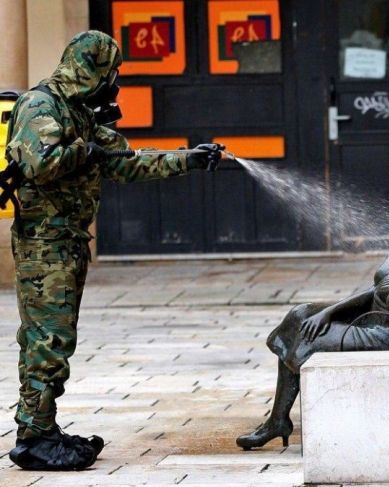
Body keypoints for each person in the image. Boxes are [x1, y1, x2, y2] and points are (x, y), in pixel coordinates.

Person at [6, 31, 227, 470]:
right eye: (112, 73)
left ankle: (40, 427)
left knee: (55, 339)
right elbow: (39, 162)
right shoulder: (41, 105)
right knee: (47, 340)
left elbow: (126, 162)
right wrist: (84, 149)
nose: (115, 82)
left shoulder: (80, 112)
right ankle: (33, 437)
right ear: (91, 69)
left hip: (67, 241)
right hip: (44, 246)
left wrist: (191, 159)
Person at [236, 195, 389, 450]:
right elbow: (376, 290)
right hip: (371, 319)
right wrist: (330, 312)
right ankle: (279, 419)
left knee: (305, 336)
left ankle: (280, 420)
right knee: (301, 315)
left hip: (386, 337)